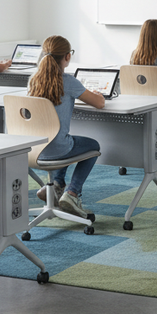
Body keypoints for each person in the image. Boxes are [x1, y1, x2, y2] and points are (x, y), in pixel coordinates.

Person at [27, 35, 104, 219]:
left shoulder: (33, 81)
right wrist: (97, 94)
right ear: (67, 57)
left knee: (64, 141)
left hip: (33, 149)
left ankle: (55, 186)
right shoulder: (68, 81)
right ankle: (72, 193)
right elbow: (99, 103)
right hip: (57, 150)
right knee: (93, 146)